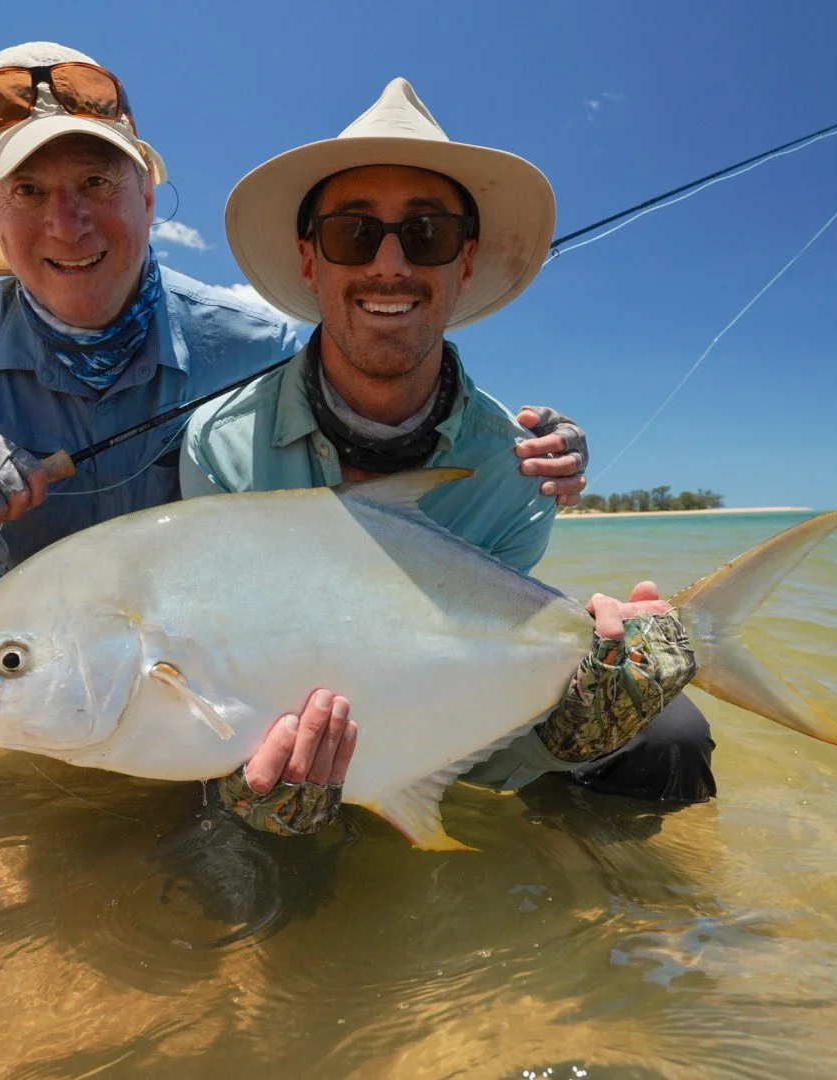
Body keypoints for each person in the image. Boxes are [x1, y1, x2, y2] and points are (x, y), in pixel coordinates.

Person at [0, 43, 588, 770]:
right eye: (28, 190)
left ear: (147, 195)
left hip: (198, 650)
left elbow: (379, 389)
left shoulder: (259, 345)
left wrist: (522, 447)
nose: (67, 223)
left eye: (95, 182)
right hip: (20, 616)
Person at [180, 78, 716, 837]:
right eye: (352, 234)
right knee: (242, 843)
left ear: (463, 262)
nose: (389, 264)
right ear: (309, 259)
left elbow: (484, 672)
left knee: (668, 736)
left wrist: (579, 714)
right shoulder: (220, 445)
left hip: (447, 712)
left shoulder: (519, 471)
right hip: (275, 731)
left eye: (425, 233)